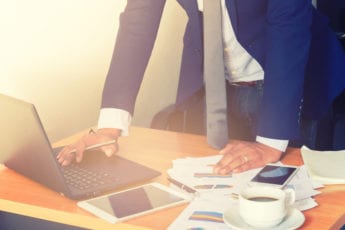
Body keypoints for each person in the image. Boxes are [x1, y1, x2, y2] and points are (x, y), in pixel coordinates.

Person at [57, 0, 345, 174]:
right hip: (217, 86)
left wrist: (270, 142)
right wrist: (109, 127)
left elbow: (288, 25)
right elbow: (139, 18)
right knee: (218, 193)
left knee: (291, 200)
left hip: (293, 83)